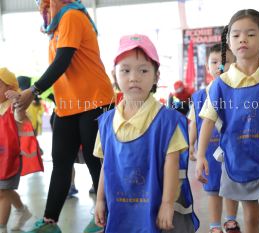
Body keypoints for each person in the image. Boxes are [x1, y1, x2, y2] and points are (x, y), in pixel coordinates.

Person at [13, 1, 115, 232]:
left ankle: (106, 218)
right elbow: (62, 71)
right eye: (42, 5)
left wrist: (34, 90)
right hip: (68, 105)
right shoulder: (56, 27)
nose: (44, 7)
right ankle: (50, 221)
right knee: (60, 162)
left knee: (95, 160)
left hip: (95, 99)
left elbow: (63, 60)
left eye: (47, 4)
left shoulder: (71, 16)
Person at [195, 9, 259, 233]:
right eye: (236, 35)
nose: (242, 39)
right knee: (251, 219)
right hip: (237, 158)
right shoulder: (220, 84)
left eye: (250, 34)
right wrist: (200, 154)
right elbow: (208, 121)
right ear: (229, 43)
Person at [94, 34, 199, 232]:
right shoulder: (107, 122)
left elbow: (172, 164)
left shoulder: (167, 121)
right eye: (125, 70)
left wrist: (167, 204)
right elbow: (105, 166)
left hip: (156, 209)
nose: (134, 77)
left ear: (156, 76)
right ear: (114, 75)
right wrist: (100, 200)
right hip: (120, 210)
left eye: (143, 70)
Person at [188, 43, 241, 233]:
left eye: (225, 62)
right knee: (212, 189)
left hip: (234, 149)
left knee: (231, 186)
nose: (220, 66)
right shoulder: (199, 97)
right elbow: (194, 122)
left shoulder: (240, 93)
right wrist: (191, 146)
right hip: (209, 151)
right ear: (207, 66)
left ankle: (231, 221)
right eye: (215, 62)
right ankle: (215, 225)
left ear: (235, 64)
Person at [0, 68, 44, 233]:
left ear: (11, 88)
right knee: (5, 190)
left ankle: (2, 228)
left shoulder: (14, 107)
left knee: (3, 191)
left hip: (11, 158)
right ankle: (21, 210)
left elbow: (20, 115)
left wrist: (17, 99)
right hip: (0, 157)